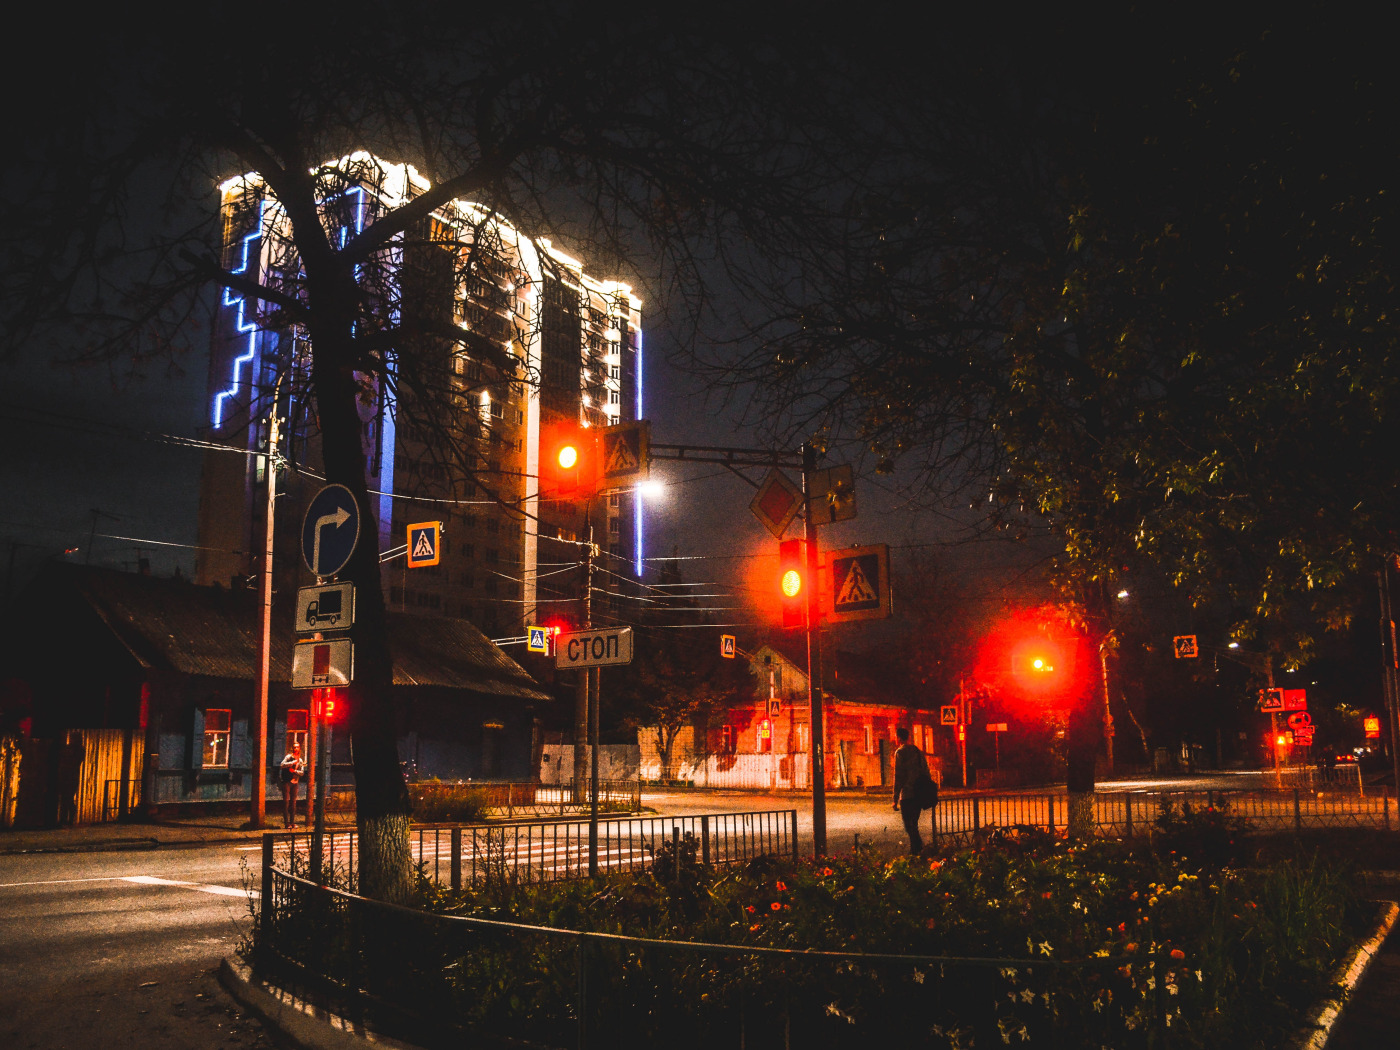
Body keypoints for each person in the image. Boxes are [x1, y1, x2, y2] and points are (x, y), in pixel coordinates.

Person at [892, 726, 936, 856]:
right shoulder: (917, 751)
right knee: (914, 824)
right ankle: (916, 850)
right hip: (918, 793)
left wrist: (895, 799)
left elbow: (898, 776)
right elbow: (926, 771)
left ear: (899, 738)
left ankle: (917, 850)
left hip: (907, 794)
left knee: (908, 825)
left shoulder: (900, 752)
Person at [278, 743, 305, 829]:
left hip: (295, 782)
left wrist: (294, 771)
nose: (296, 749)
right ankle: (287, 823)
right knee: (286, 802)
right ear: (292, 748)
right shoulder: (289, 757)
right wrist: (292, 762)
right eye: (294, 747)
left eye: (297, 747)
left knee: (293, 803)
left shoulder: (300, 760)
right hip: (287, 782)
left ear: (299, 748)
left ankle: (292, 822)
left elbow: (302, 772)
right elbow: (282, 765)